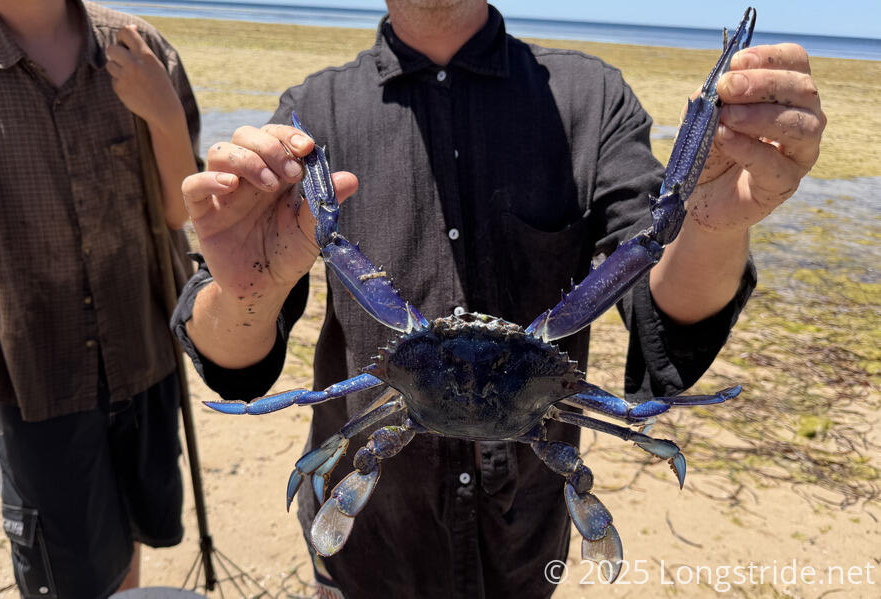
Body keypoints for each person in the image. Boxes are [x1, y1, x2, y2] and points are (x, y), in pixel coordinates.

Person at [173, 1, 825, 597]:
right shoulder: (313, 116)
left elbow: (660, 308)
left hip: (523, 551)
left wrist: (712, 223)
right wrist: (244, 288)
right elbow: (238, 362)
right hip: (369, 557)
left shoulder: (593, 102)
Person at [0, 0, 200, 596]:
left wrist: (162, 116)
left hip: (145, 356)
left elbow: (180, 210)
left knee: (128, 538)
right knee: (62, 573)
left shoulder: (136, 46)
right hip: (37, 377)